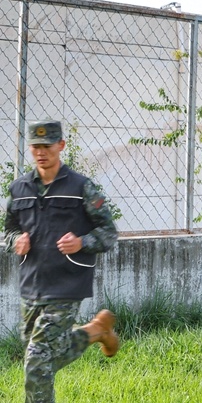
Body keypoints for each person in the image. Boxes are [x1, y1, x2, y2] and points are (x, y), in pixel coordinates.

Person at [3, 119, 120, 403]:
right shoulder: (18, 189)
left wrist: (81, 242)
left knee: (35, 360)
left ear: (61, 146)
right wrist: (15, 241)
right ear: (29, 148)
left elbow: (108, 233)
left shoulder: (82, 186)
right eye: (36, 146)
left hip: (68, 283)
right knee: (45, 357)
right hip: (32, 285)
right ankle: (95, 331)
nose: (41, 152)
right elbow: (8, 231)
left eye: (48, 146)